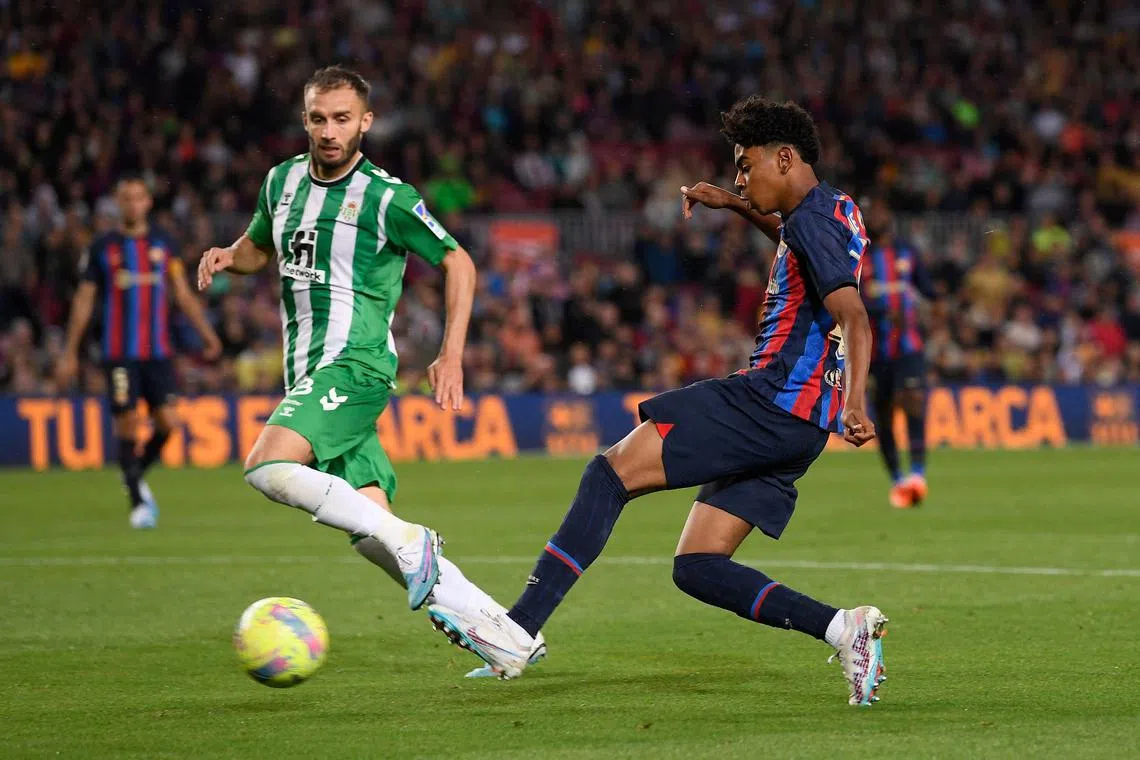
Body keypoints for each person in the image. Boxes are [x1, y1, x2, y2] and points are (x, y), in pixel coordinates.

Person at [428, 96, 890, 706]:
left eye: (745, 166)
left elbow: (854, 317)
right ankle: (842, 628)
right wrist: (738, 208)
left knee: (609, 473)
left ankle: (517, 629)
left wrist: (858, 401)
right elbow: (802, 245)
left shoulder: (809, 221)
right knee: (697, 565)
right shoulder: (836, 211)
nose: (739, 177)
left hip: (771, 399)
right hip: (800, 424)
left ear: (785, 158)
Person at [195, 66, 535, 645]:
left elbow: (459, 262)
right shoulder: (281, 182)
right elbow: (260, 247)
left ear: (366, 123)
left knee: (268, 466)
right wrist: (229, 256)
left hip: (355, 365)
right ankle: (506, 638)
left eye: (343, 119)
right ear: (305, 119)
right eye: (319, 118)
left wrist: (451, 355)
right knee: (374, 534)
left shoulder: (385, 197)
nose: (330, 131)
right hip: (307, 372)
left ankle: (416, 543)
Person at [56, 176, 222, 529]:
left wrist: (207, 333)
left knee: (168, 423)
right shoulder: (103, 246)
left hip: (159, 352)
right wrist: (70, 351)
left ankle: (132, 475)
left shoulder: (164, 243)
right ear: (118, 202)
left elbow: (181, 292)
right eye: (126, 198)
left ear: (148, 202)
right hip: (119, 352)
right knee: (129, 423)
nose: (132, 204)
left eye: (138, 198)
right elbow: (84, 299)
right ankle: (138, 503)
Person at [860, 201, 933, 508]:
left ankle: (918, 473)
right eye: (872, 213)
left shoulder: (907, 252)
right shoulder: (859, 256)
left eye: (881, 211)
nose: (878, 216)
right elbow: (853, 297)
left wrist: (936, 308)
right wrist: (885, 313)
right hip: (875, 352)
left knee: (914, 399)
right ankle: (897, 479)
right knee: (885, 416)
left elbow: (928, 290)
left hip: (908, 346)